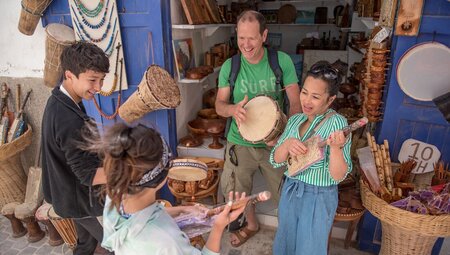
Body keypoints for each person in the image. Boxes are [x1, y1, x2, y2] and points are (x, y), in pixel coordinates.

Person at [81, 123, 247, 255]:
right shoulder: (166, 242)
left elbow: (140, 219)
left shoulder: (116, 193)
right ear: (159, 180)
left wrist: (184, 209)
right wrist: (218, 227)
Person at [215, 10, 301, 247]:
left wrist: (286, 136)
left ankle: (289, 236)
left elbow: (295, 102)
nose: (246, 44)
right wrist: (232, 110)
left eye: (252, 38)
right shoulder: (229, 66)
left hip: (277, 143)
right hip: (239, 141)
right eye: (241, 38)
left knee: (287, 192)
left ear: (264, 35)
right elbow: (219, 105)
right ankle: (251, 224)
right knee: (236, 192)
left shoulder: (281, 61)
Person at [269, 61, 353, 255]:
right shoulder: (295, 120)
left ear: (330, 100)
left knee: (310, 248)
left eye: (315, 96)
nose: (307, 101)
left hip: (318, 196)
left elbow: (338, 175)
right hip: (291, 190)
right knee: (285, 242)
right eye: (304, 92)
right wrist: (287, 144)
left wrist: (336, 149)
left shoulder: (337, 123)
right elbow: (275, 159)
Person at [41, 41, 110, 255]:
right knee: (116, 245)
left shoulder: (59, 99)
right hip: (79, 200)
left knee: (86, 245)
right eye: (92, 80)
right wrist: (129, 171)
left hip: (67, 194)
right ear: (69, 75)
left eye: (101, 80)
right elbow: (88, 175)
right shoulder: (67, 118)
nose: (98, 88)